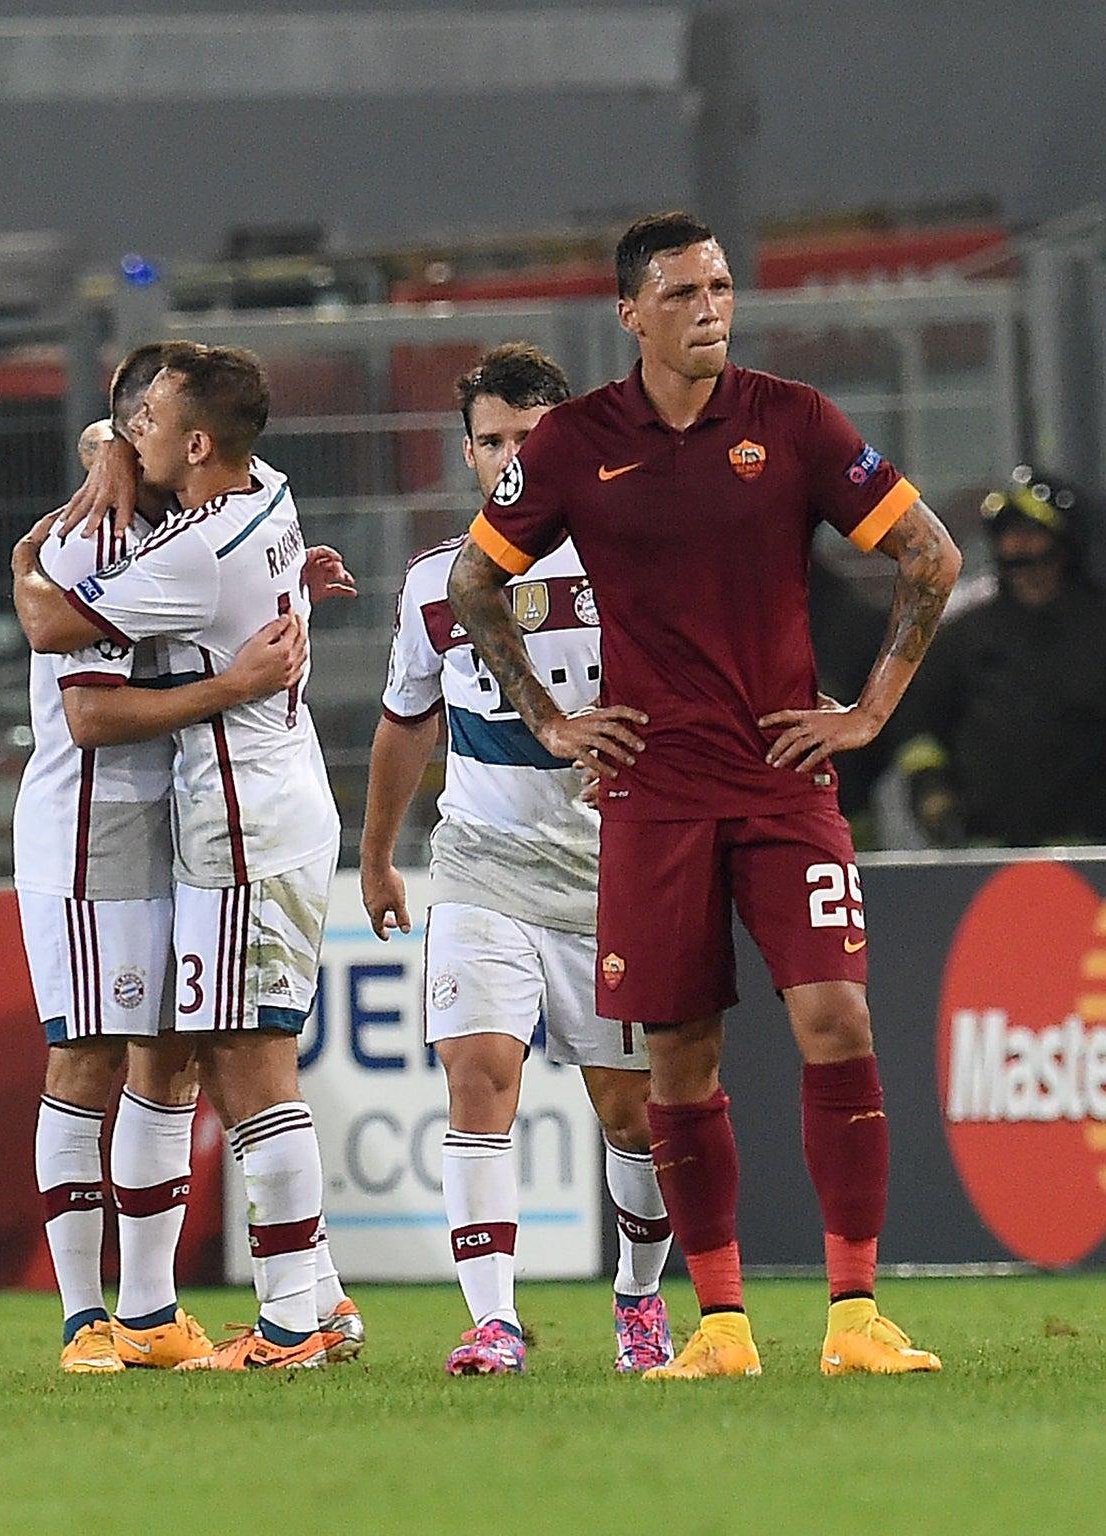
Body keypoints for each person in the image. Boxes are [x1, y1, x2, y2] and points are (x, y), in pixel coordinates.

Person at [447, 211, 961, 1381]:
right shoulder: (575, 444)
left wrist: (867, 711)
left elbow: (929, 555)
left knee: (836, 1018)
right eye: (681, 292)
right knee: (676, 1060)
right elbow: (477, 577)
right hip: (651, 796)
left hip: (783, 779)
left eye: (721, 286)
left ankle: (852, 1316)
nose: (710, 308)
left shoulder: (792, 421)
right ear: (628, 314)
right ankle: (720, 1328)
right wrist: (545, 716)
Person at [14, 341, 351, 1370]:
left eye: (150, 421)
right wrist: (107, 449)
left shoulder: (184, 552)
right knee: (173, 1056)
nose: (135, 435)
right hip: (213, 815)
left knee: (246, 1065)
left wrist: (22, 556)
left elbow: (45, 623)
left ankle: (293, 1320)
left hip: (239, 820)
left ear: (194, 442)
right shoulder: (260, 488)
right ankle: (278, 1305)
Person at [361, 343, 673, 1376]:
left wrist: (648, 760)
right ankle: (492, 1320)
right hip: (483, 864)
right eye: (490, 440)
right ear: (466, 454)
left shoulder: (631, 560)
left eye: (526, 437)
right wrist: (375, 856)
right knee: (477, 1074)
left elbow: (690, 692)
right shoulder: (433, 586)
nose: (508, 455)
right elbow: (405, 723)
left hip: (610, 872)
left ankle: (637, 1303)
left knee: (629, 1108)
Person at [892, 466, 1106, 846]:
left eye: (1041, 558)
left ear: (1068, 554)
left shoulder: (1096, 629)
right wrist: (931, 790)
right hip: (987, 855)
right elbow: (918, 729)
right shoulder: (965, 634)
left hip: (1093, 853)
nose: (1027, 573)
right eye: (1014, 563)